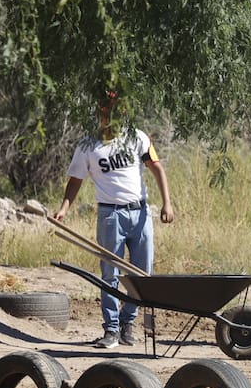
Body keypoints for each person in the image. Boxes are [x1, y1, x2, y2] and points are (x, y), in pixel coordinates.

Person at [54, 90, 175, 349]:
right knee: (110, 273)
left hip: (140, 213)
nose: (109, 117)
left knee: (143, 273)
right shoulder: (88, 146)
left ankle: (127, 322)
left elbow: (157, 168)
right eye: (104, 111)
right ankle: (110, 330)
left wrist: (167, 203)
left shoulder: (138, 138)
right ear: (99, 114)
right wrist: (64, 208)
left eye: (115, 111)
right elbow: (75, 180)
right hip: (111, 215)